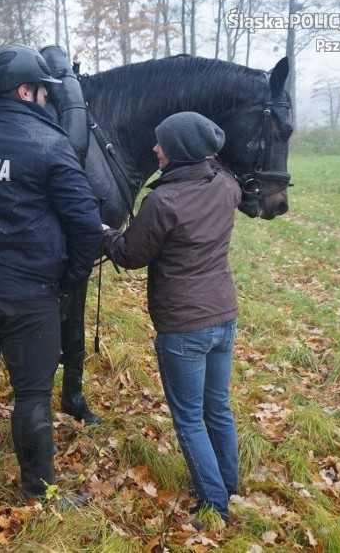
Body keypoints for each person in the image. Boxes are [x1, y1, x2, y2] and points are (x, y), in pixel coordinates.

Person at [0, 43, 102, 502]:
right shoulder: (50, 146)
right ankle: (40, 492)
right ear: (27, 91)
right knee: (32, 393)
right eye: (44, 91)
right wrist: (68, 283)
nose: (48, 99)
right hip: (30, 296)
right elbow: (87, 226)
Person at [101, 112, 240, 525]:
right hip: (224, 316)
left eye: (161, 143)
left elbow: (130, 254)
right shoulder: (227, 185)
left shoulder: (164, 201)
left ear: (177, 151)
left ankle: (215, 506)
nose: (155, 149)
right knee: (218, 408)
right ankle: (229, 484)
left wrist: (103, 231)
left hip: (183, 327)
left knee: (189, 418)